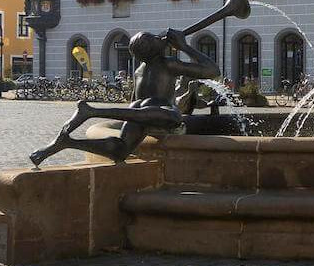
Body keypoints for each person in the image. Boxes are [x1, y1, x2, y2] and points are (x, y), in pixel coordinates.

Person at [29, 27, 220, 166]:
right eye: (155, 38)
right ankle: (93, 111)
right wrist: (185, 47)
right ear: (153, 49)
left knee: (120, 151)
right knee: (175, 117)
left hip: (139, 111)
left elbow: (133, 101)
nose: (160, 37)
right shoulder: (167, 63)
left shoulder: (139, 70)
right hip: (158, 111)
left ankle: (68, 142)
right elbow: (212, 71)